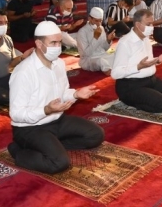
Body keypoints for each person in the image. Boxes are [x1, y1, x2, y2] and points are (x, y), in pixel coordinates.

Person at [8, 21, 104, 174]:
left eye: (59, 42)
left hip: (56, 119)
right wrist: (46, 110)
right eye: (53, 42)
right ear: (39, 44)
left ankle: (53, 145)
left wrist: (76, 94)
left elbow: (63, 92)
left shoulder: (59, 63)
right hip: (30, 128)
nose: (58, 46)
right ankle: (18, 152)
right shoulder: (23, 72)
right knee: (59, 163)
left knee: (95, 135)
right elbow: (16, 114)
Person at [111, 9, 162, 113]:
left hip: (151, 80)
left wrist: (157, 61)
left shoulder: (146, 39)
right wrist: (138, 67)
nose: (152, 27)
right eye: (149, 24)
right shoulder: (125, 43)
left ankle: (149, 95)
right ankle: (130, 101)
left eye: (152, 23)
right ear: (138, 24)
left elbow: (146, 62)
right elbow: (115, 74)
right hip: (131, 86)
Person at [77, 7, 116, 75]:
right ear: (90, 18)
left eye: (100, 21)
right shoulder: (82, 32)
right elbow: (86, 54)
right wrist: (95, 38)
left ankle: (110, 67)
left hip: (102, 55)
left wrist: (108, 40)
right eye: (96, 21)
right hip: (89, 60)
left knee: (117, 54)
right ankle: (109, 70)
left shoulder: (101, 28)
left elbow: (104, 49)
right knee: (101, 61)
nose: (98, 23)